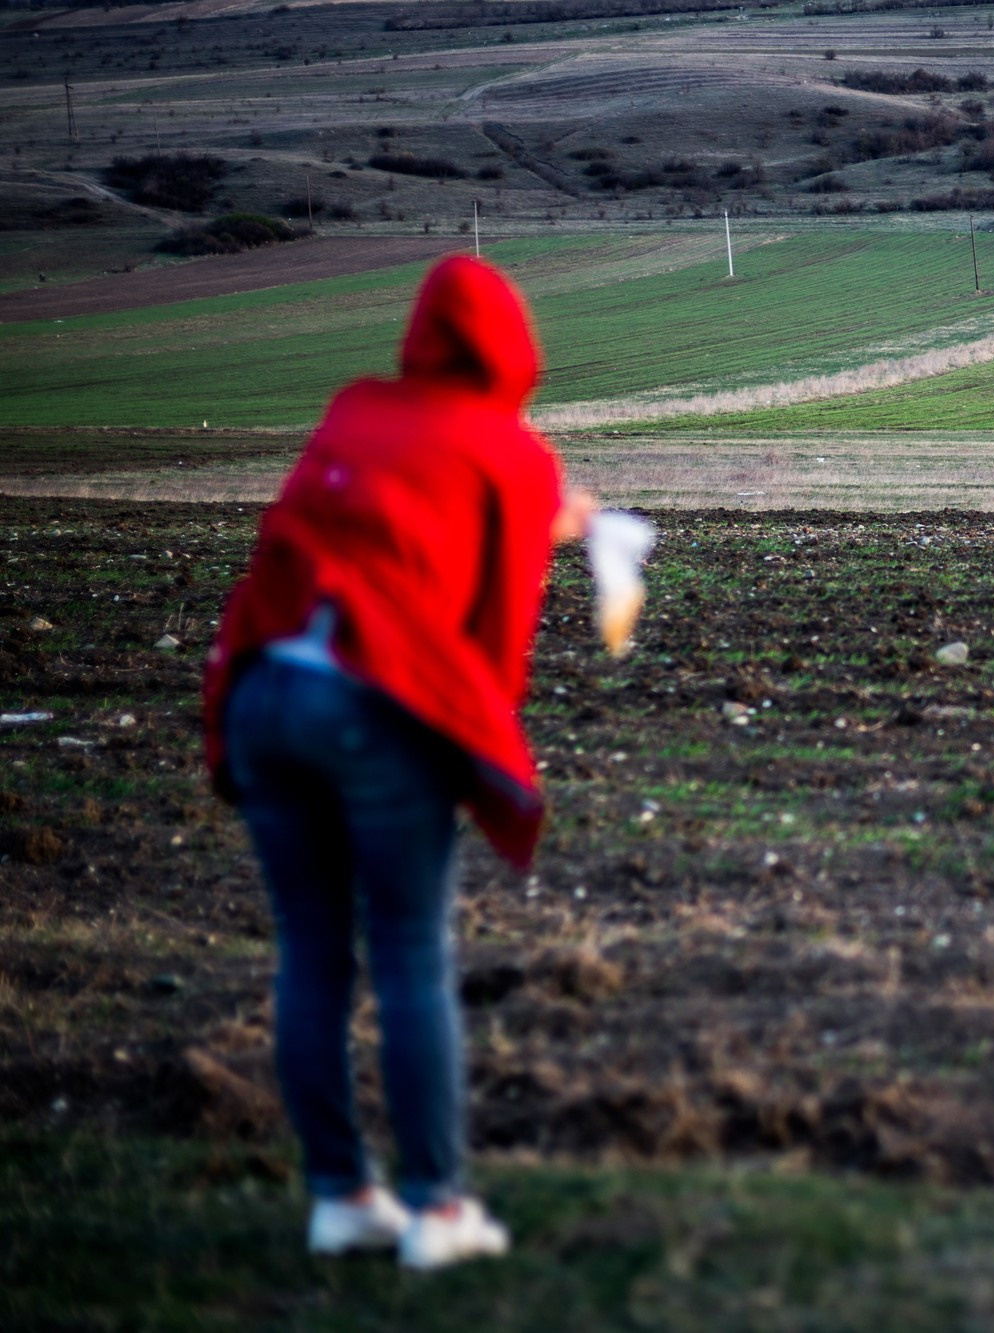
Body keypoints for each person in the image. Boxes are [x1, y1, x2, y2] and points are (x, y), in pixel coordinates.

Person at [203, 256, 592, 1270]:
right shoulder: (513, 451)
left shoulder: (357, 407)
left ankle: (339, 1196)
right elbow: (495, 644)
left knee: (311, 948)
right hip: (370, 704)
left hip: (261, 687)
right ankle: (436, 1209)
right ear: (513, 346)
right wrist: (478, 747)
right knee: (410, 950)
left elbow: (369, 524)